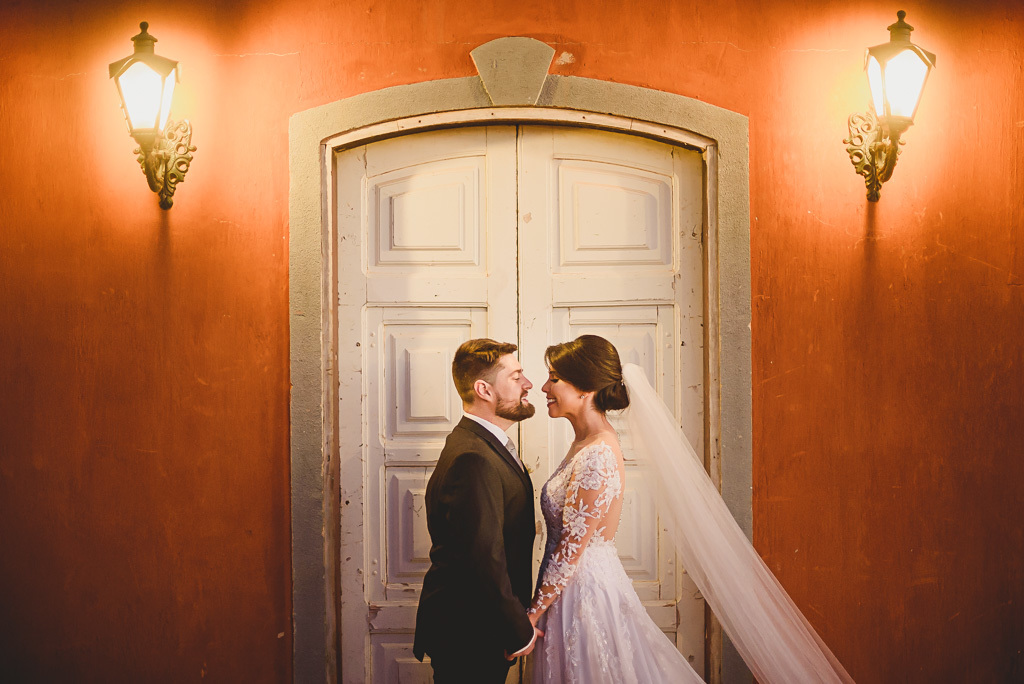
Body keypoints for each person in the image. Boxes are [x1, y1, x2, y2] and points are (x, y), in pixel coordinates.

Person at [529, 335, 855, 684]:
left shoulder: (598, 453)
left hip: (584, 594)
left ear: (585, 388)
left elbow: (571, 550)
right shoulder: (584, 444)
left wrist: (530, 615)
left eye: (554, 378)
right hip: (568, 590)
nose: (545, 387)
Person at [413, 339, 544, 683]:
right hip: (469, 633)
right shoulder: (473, 457)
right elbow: (484, 556)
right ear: (484, 390)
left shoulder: (479, 444)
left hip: (476, 628)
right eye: (516, 376)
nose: (528, 384)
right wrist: (518, 630)